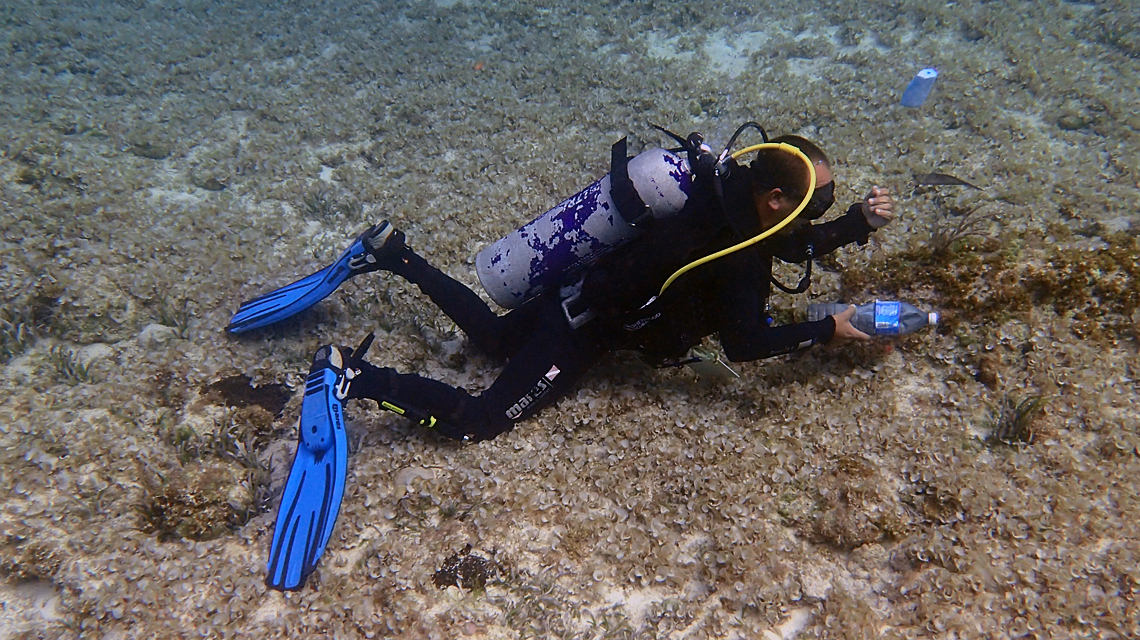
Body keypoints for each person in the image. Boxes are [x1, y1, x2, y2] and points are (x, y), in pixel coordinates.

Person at [253, 132, 895, 589]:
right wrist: (827, 330)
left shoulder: (718, 188)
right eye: (818, 204)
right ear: (775, 198)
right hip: (581, 331)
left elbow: (789, 241)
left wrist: (857, 224)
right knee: (480, 420)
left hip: (573, 285)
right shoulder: (739, 261)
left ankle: (393, 253)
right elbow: (744, 343)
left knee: (492, 337)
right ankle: (352, 375)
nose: (817, 216)